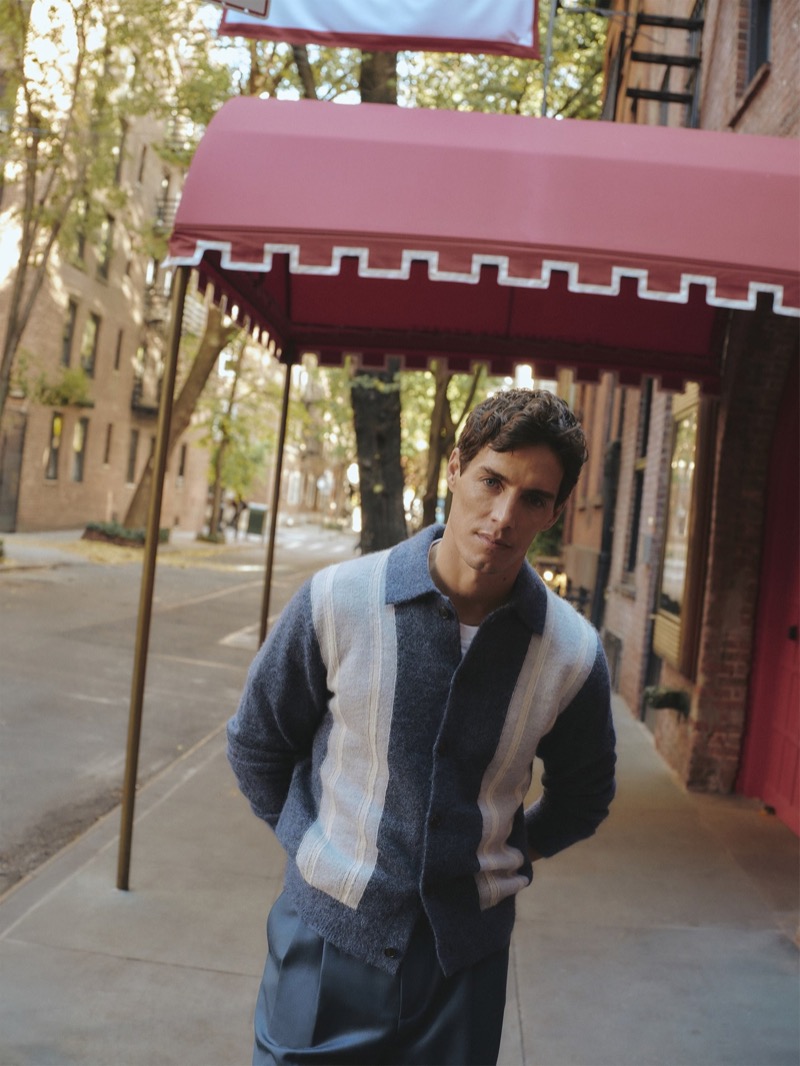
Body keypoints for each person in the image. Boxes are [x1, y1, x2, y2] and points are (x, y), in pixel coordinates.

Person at [227, 388, 617, 1066]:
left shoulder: (572, 653)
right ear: (456, 470)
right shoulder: (339, 600)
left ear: (553, 513)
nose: (504, 516)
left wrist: (498, 854)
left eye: (532, 498)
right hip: (323, 945)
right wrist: (316, 845)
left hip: (463, 969)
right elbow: (257, 743)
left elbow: (584, 797)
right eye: (492, 481)